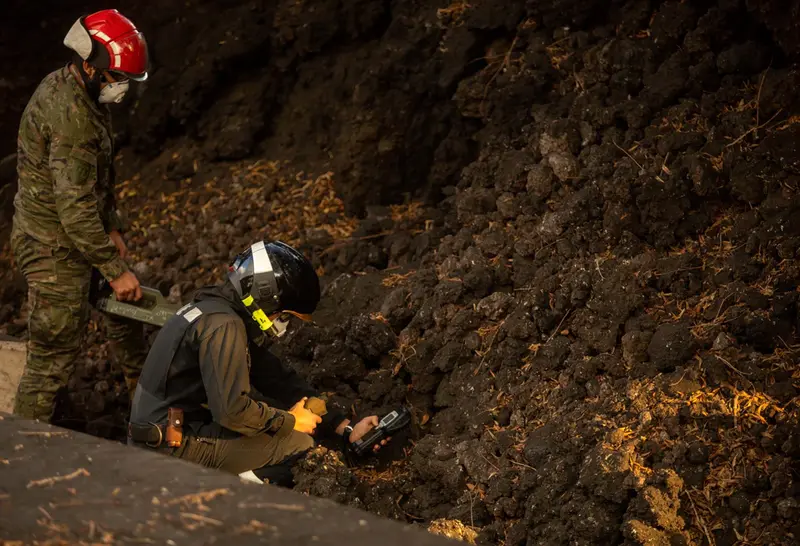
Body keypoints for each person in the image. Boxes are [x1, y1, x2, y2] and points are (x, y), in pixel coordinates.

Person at [127, 240, 387, 486]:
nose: (282, 324)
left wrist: (344, 428)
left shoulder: (213, 310)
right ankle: (223, 503)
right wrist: (290, 421)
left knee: (274, 418)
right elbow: (231, 411)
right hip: (170, 449)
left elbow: (275, 378)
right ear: (266, 295)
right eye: (284, 315)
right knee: (299, 447)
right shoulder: (224, 326)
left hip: (164, 434)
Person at [10, 9, 150, 421]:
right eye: (117, 79)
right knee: (52, 357)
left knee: (127, 313)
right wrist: (112, 267)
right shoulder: (70, 117)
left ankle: (146, 410)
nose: (121, 89)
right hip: (53, 248)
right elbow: (73, 207)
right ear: (90, 65)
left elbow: (94, 182)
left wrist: (113, 228)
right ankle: (25, 452)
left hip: (77, 234)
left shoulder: (83, 94)